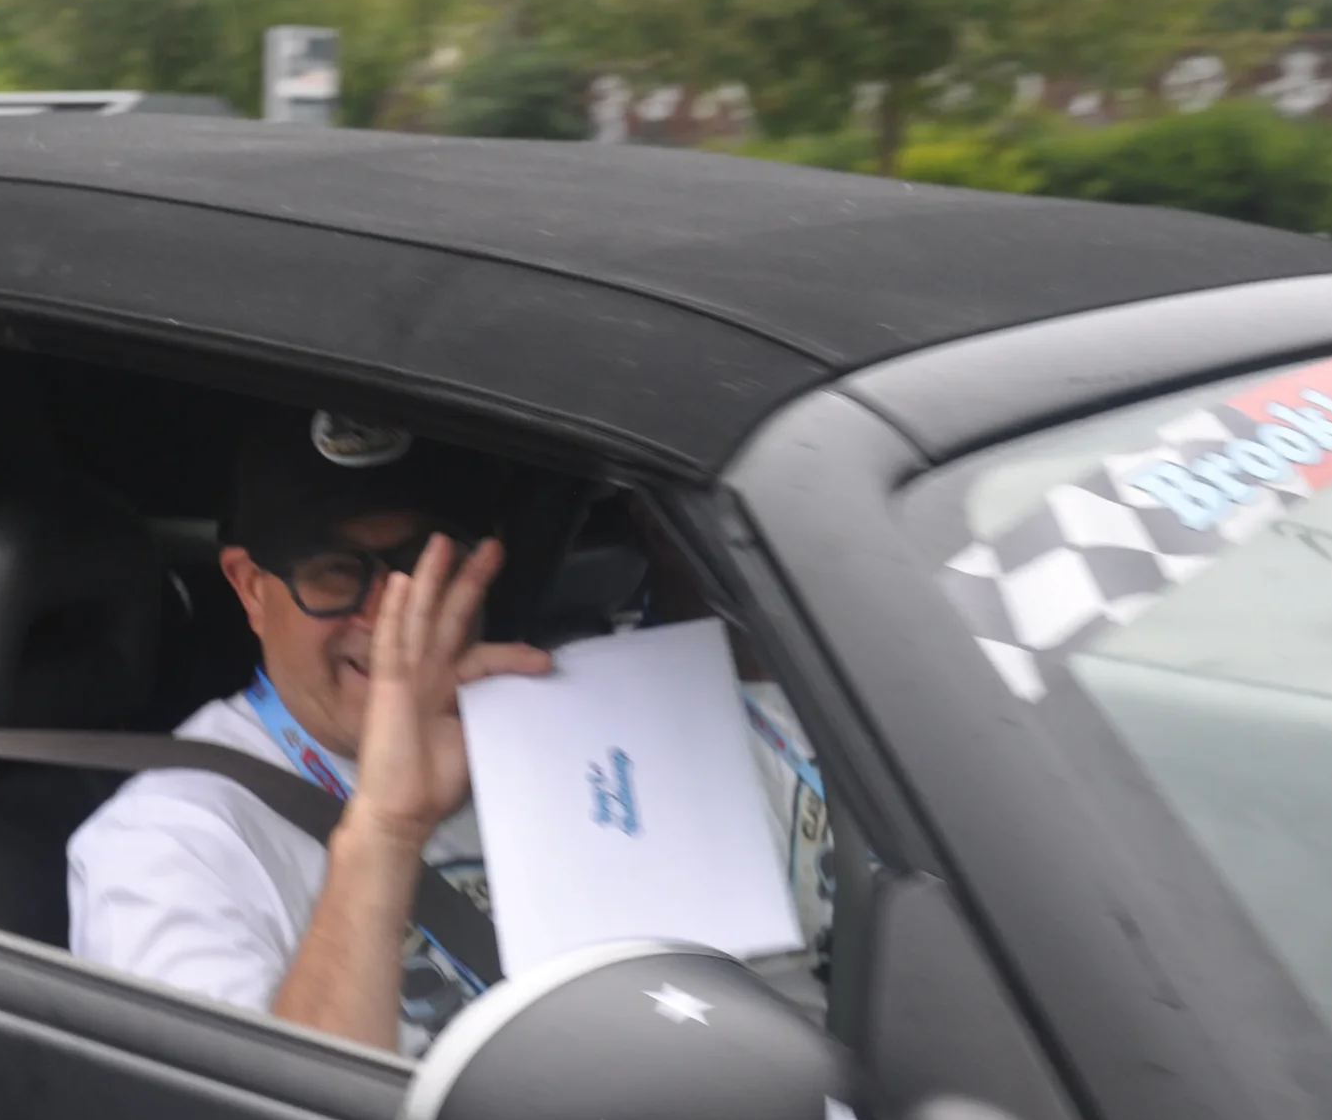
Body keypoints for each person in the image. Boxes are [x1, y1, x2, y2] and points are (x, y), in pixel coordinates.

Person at [65, 409, 827, 1055]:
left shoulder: (610, 728)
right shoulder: (168, 842)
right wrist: (386, 829)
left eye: (425, 565)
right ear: (251, 589)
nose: (389, 615)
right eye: (335, 571)